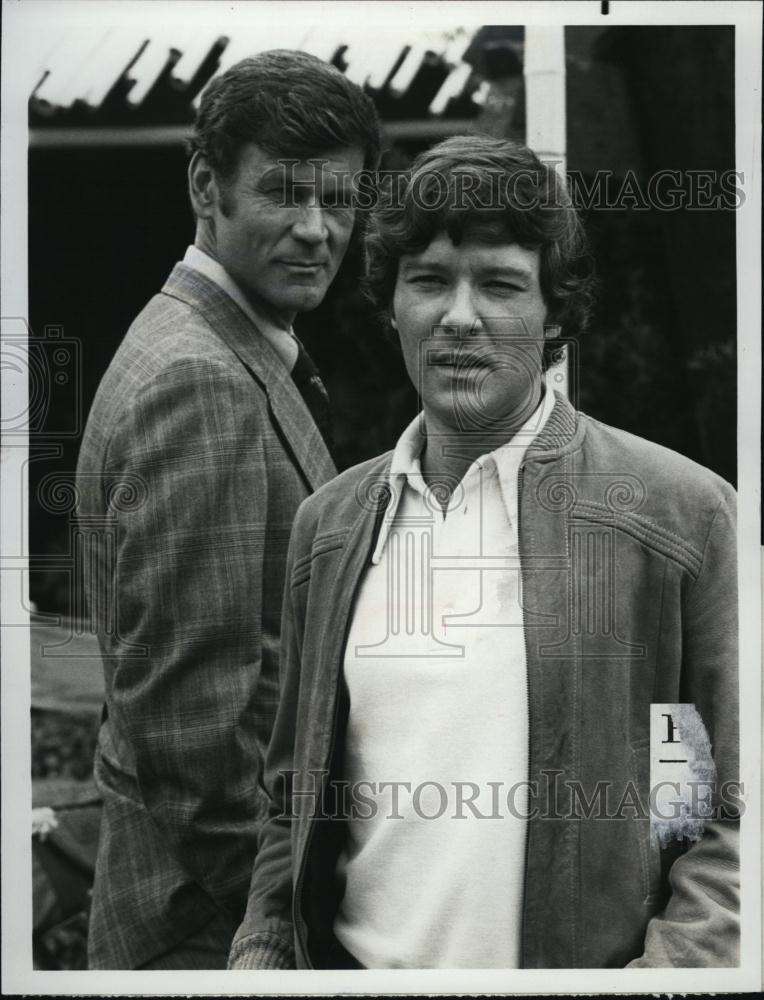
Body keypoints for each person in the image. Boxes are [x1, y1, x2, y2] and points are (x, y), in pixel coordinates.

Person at [228, 135, 739, 969]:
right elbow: (291, 803)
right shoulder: (331, 527)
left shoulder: (681, 518)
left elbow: (728, 818)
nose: (458, 317)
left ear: (557, 313)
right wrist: (262, 949)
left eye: (500, 284)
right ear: (391, 303)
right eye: (428, 281)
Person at [76, 49, 380, 969]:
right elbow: (187, 734)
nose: (318, 229)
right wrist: (285, 919)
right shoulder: (200, 380)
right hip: (210, 930)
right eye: (286, 193)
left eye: (339, 199)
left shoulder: (209, 343)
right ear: (208, 186)